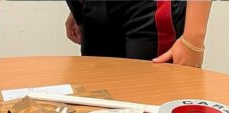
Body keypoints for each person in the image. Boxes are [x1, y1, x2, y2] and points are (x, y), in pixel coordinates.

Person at [64, 0, 212, 67]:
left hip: (147, 9)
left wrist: (194, 37)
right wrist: (76, 9)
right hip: (91, 9)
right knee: (99, 107)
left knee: (153, 106)